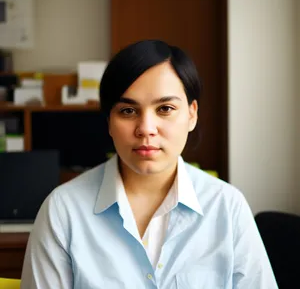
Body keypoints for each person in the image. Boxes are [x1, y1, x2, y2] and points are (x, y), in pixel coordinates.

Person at [20, 39, 278, 289]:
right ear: (109, 120)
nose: (146, 129)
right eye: (128, 111)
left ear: (191, 114)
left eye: (165, 109)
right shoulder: (63, 212)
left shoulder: (227, 207)